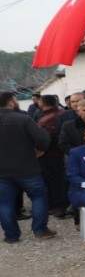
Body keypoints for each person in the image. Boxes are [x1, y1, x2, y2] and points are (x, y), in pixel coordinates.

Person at [0, 92, 56, 244]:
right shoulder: (23, 118)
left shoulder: (22, 118)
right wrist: (40, 149)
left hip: (2, 172)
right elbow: (43, 138)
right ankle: (40, 230)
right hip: (27, 167)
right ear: (11, 103)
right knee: (38, 197)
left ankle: (11, 235)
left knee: (4, 203)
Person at [36, 95, 68, 217]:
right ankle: (57, 204)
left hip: (51, 154)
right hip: (58, 153)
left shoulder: (49, 118)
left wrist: (39, 150)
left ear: (42, 103)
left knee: (54, 181)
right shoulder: (60, 112)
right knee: (57, 180)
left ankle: (58, 205)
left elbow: (47, 138)